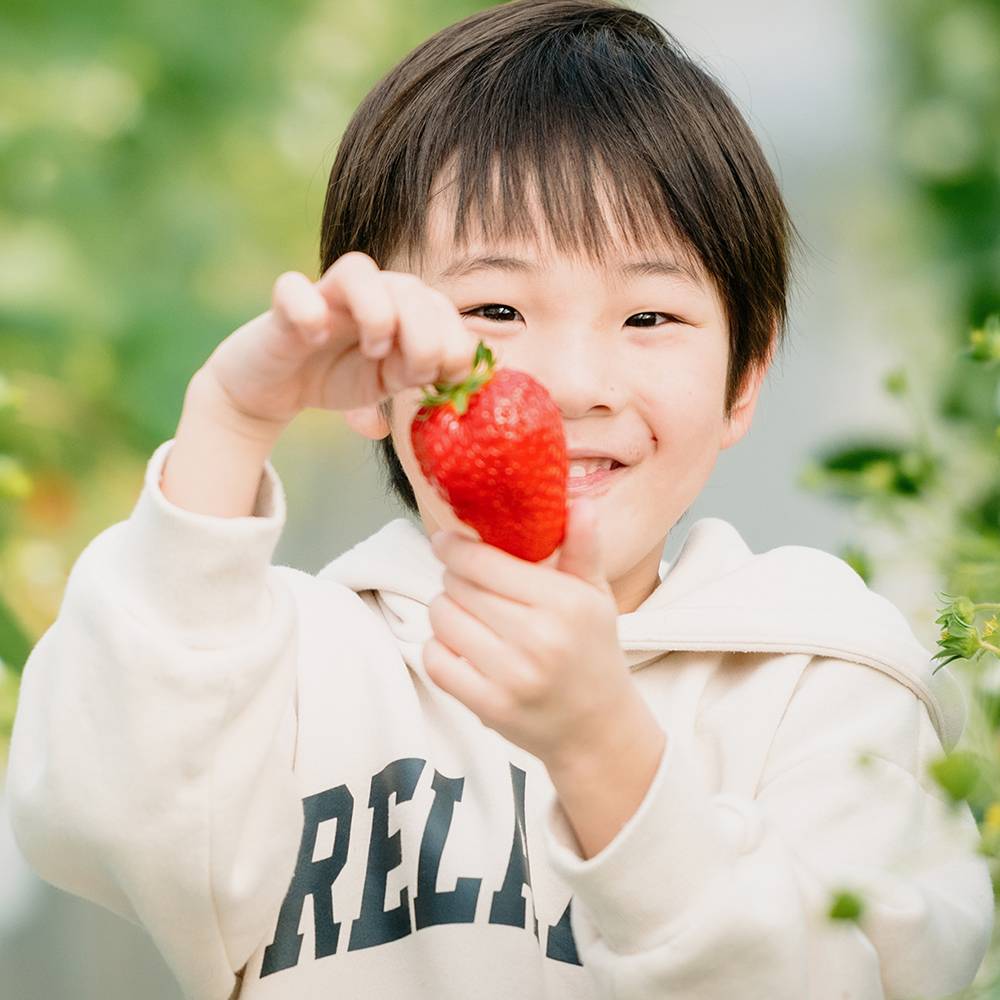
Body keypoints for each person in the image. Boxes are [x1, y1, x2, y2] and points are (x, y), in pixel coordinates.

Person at [7, 1, 994, 998]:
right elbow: (105, 809)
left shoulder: (823, 680)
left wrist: (602, 747)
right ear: (369, 355)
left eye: (649, 315)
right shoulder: (290, 666)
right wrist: (228, 422)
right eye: (495, 308)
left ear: (746, 374)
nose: (571, 383)